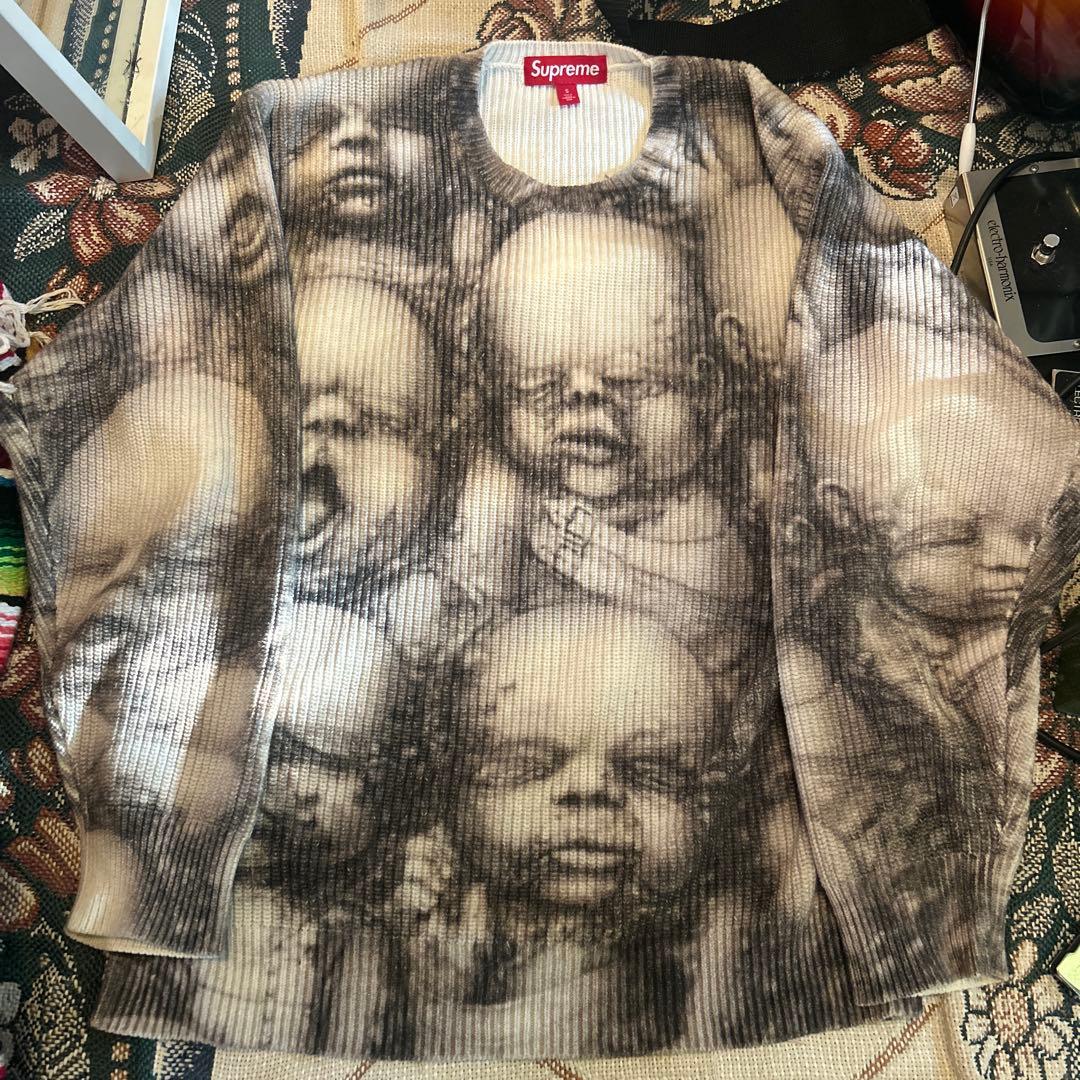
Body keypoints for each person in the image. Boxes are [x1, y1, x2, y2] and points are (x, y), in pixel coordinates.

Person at [449, 211, 762, 717]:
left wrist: (608, 562)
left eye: (628, 383)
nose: (583, 402)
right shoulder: (506, 505)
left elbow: (725, 627)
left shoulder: (704, 527)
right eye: (538, 387)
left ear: (707, 391)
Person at [406, 601, 720, 1058]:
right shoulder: (395, 962)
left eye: (651, 772)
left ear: (701, 807)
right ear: (448, 790)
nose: (591, 788)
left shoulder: (714, 980)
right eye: (527, 765)